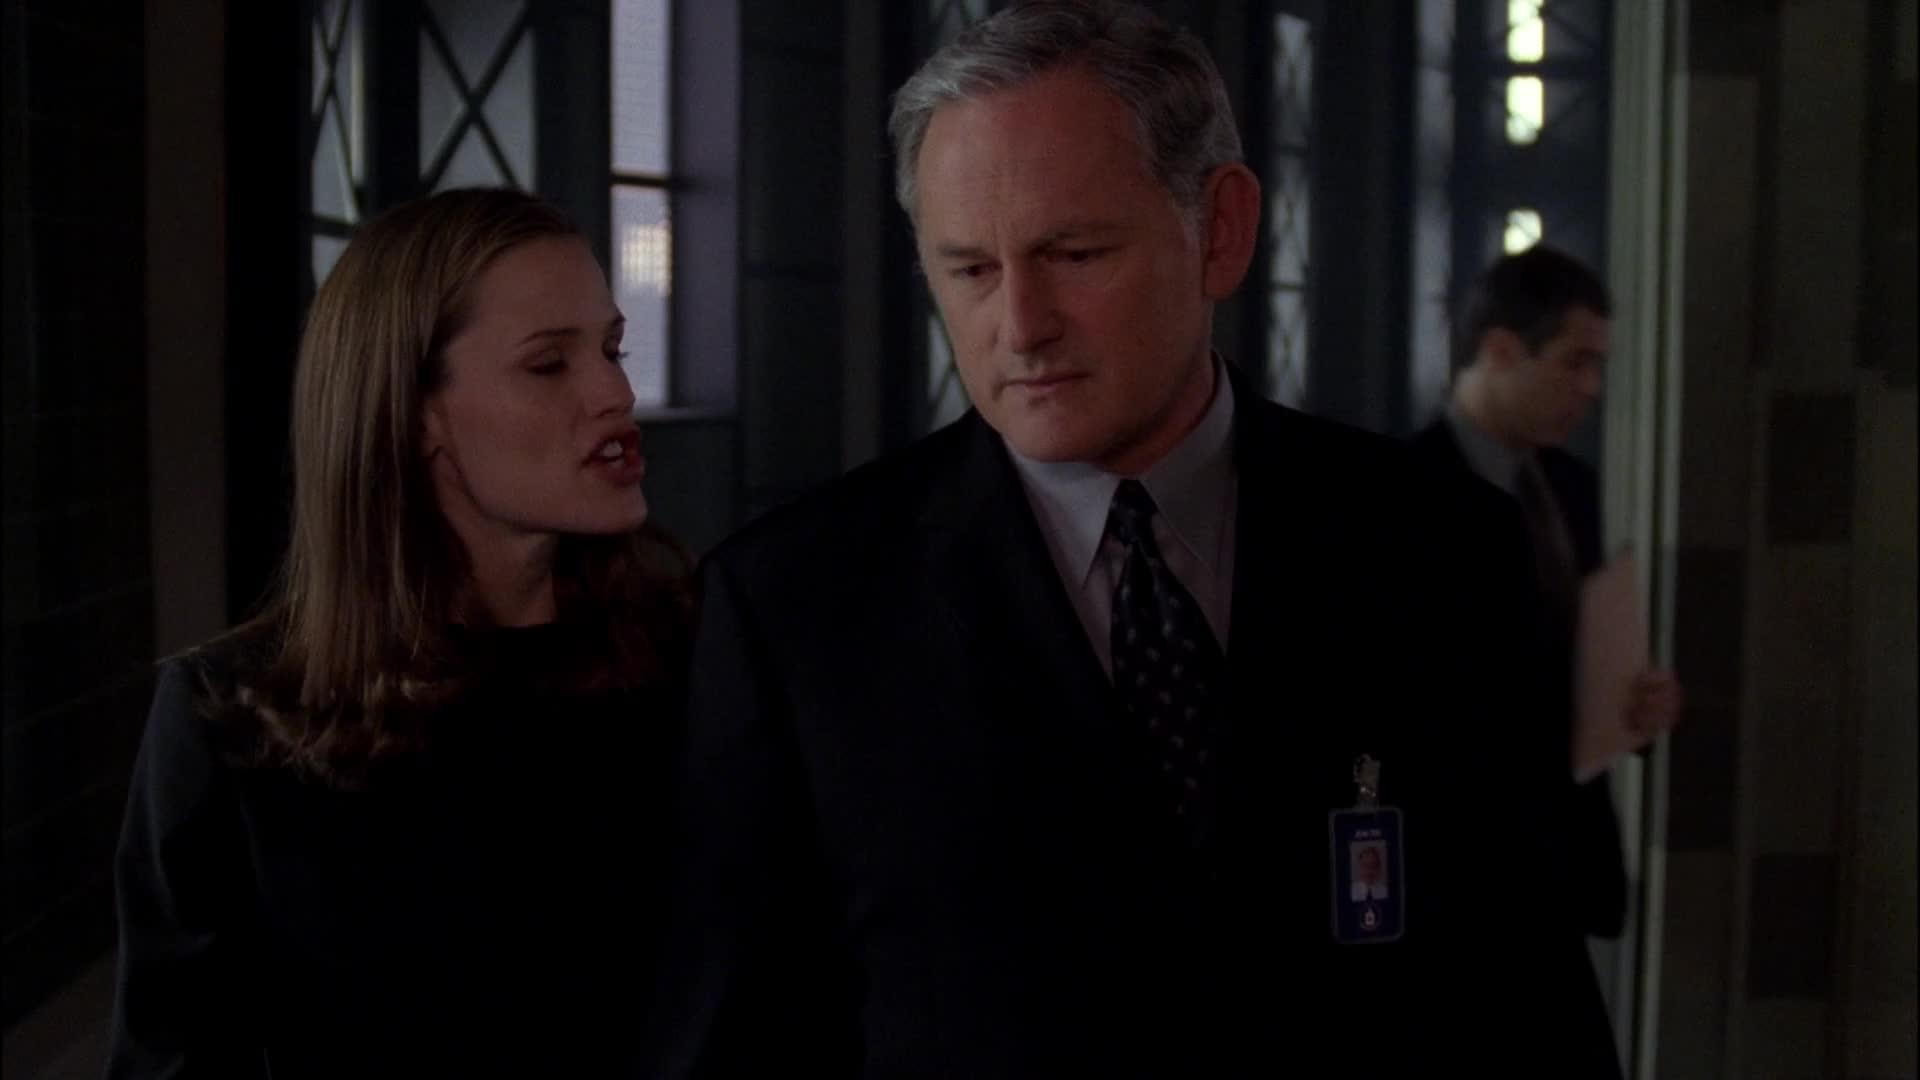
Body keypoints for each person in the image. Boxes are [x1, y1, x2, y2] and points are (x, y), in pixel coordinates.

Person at [648, 2, 1588, 1074]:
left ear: (1221, 229)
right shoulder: (799, 608)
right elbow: (734, 1042)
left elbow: (1528, 988)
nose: (1020, 326)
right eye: (970, 270)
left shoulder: (1439, 551)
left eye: (1075, 252)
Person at [108, 188, 690, 1076]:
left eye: (612, 350)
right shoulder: (235, 718)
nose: (616, 393)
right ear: (415, 413)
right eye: (549, 365)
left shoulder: (694, 663)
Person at [1410, 245, 1685, 1080]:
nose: (1592, 388)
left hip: (1558, 874)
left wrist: (1634, 704)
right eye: (1575, 362)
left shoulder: (1571, 485)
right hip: (1453, 890)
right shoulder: (1399, 493)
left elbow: (1571, 664)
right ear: (1500, 350)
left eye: (1599, 365)